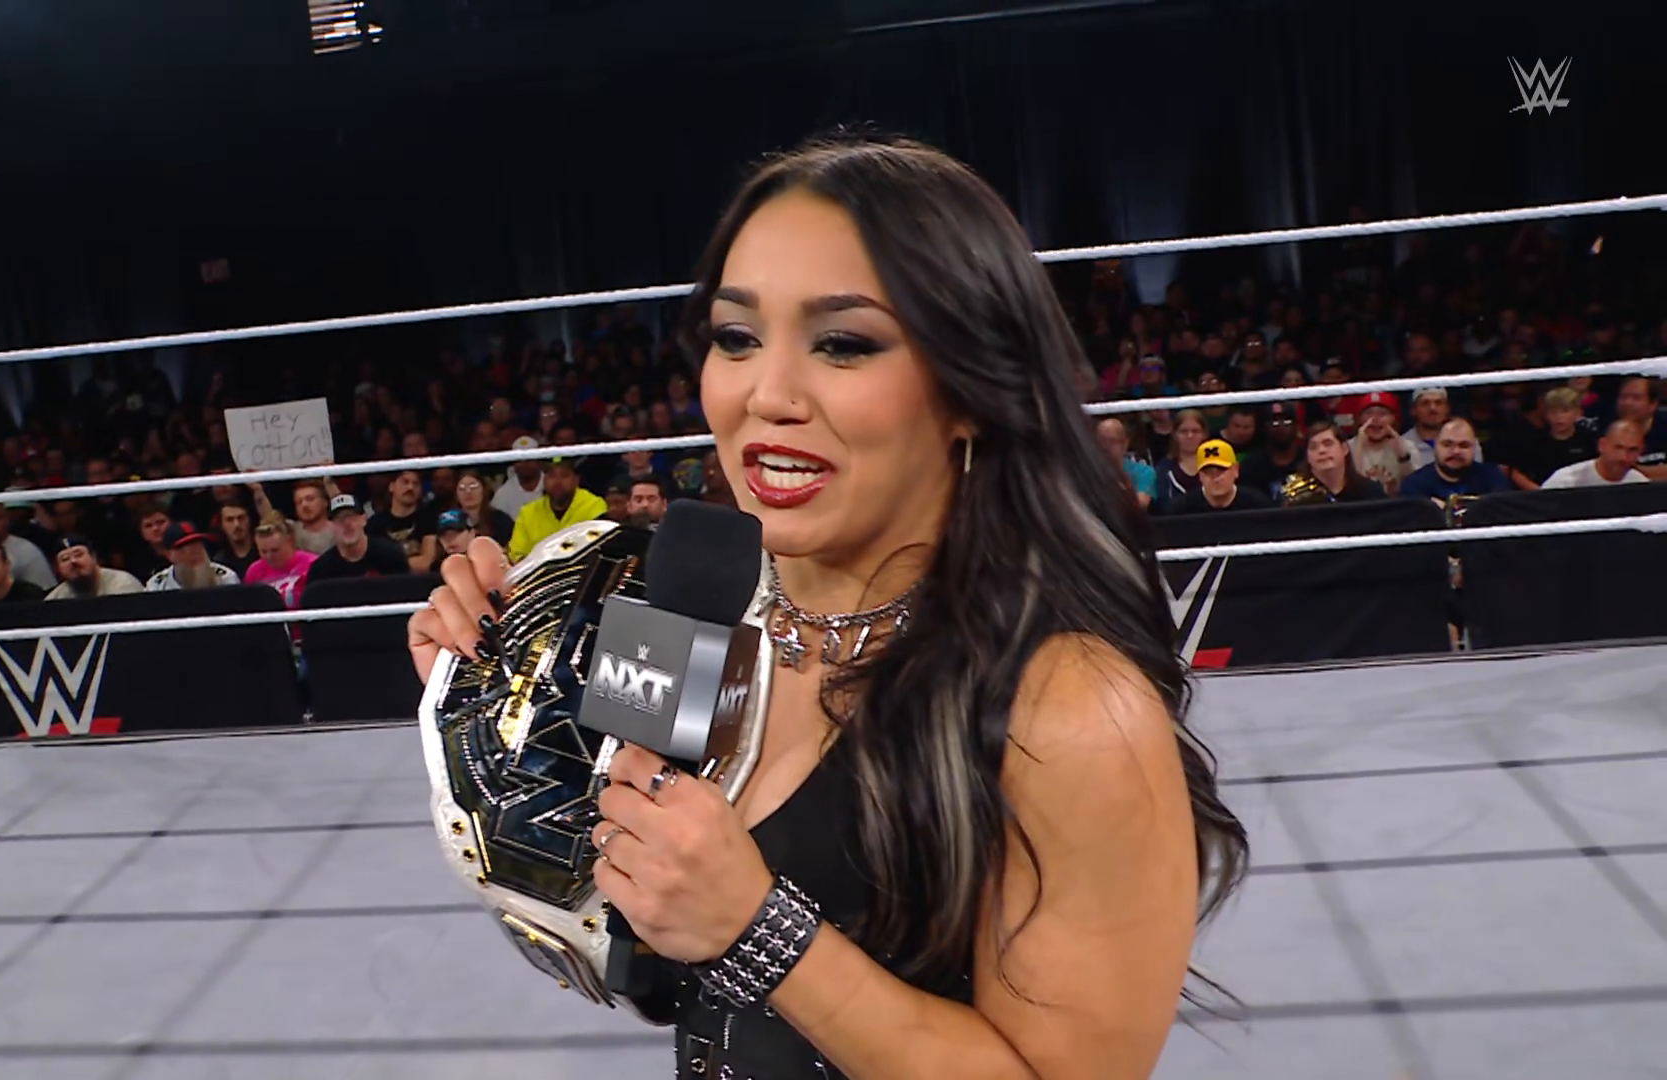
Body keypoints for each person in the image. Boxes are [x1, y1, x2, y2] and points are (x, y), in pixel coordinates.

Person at [408, 134, 1246, 1080]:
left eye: (843, 343)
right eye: (736, 337)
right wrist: (498, 705)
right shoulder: (690, 605)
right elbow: (646, 961)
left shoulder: (1070, 711)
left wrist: (761, 931)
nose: (767, 394)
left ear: (972, 386)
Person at [306, 494, 410, 582]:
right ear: (331, 526)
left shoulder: (391, 555)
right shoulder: (321, 571)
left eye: (351, 516)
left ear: (364, 519)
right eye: (339, 519)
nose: (347, 524)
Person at [143, 521, 242, 590]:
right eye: (183, 548)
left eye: (197, 545)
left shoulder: (226, 578)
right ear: (169, 555)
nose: (193, 552)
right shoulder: (156, 586)